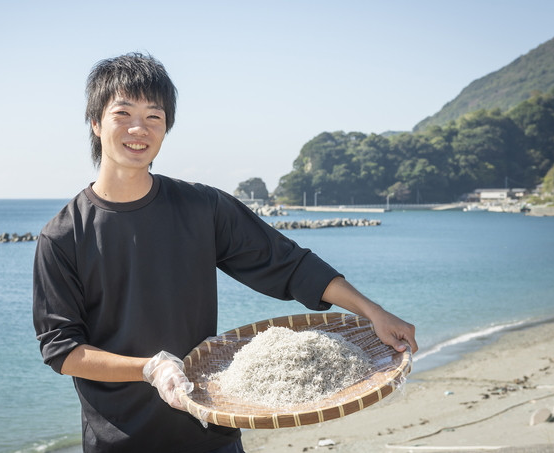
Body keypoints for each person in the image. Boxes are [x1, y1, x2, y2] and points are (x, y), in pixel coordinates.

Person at [32, 52, 418, 453]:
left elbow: (289, 264)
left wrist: (373, 313)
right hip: (119, 441)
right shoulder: (62, 237)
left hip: (210, 433)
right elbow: (63, 350)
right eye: (122, 114)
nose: (138, 129)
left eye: (154, 117)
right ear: (95, 123)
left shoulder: (202, 208)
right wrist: (150, 368)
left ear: (166, 129)